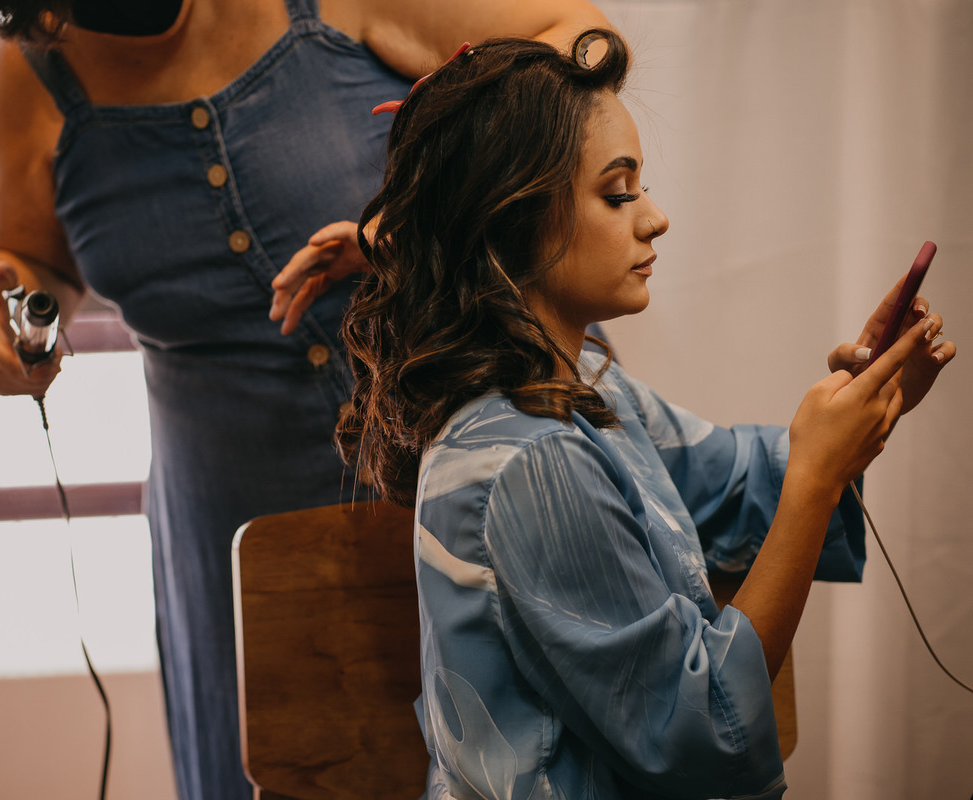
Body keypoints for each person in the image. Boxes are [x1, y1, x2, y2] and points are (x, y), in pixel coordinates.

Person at [0, 1, 617, 798]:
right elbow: (26, 247)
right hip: (232, 530)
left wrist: (430, 207)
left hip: (470, 478)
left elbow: (583, 42)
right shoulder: (35, 57)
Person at [337, 30, 956, 799]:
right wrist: (816, 478)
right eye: (619, 193)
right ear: (512, 217)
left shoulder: (590, 397)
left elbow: (739, 483)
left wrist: (866, 405)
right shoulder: (529, 462)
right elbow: (701, 728)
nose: (655, 219)